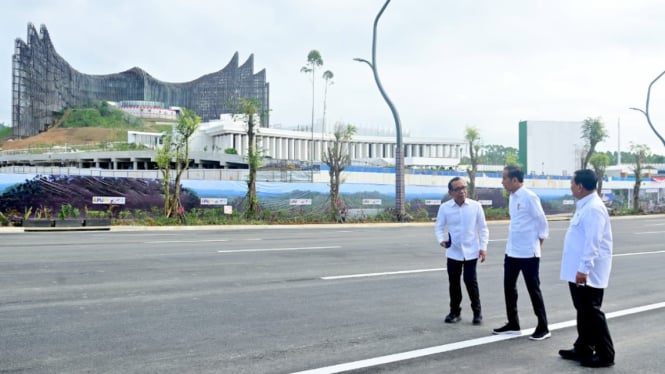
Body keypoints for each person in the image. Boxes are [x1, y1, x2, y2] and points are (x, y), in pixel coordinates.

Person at [559, 169, 615, 367]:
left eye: (572, 183)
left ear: (580, 187)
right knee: (583, 310)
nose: (571, 186)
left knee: (591, 311)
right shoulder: (585, 205)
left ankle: (605, 355)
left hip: (587, 272)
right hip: (578, 270)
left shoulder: (593, 208)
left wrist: (584, 269)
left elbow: (593, 242)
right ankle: (583, 347)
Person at [493, 165, 551, 340]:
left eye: (504, 178)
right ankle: (513, 323)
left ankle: (543, 326)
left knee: (533, 290)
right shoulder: (512, 197)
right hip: (512, 251)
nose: (502, 182)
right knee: (509, 288)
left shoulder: (529, 197)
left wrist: (537, 245)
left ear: (515, 180)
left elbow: (542, 222)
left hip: (528, 253)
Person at [434, 177, 489, 325]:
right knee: (454, 283)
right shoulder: (445, 208)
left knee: (470, 280)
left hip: (471, 251)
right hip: (453, 252)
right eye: (457, 189)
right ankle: (455, 312)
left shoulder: (475, 206)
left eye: (464, 187)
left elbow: (483, 229)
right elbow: (439, 226)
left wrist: (483, 247)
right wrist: (441, 240)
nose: (462, 191)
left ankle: (477, 313)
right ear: (451, 192)